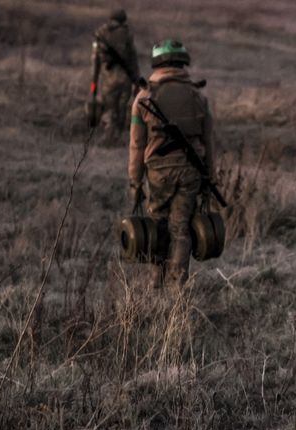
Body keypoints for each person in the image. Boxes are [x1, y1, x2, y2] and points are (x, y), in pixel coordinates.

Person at [128, 39, 214, 285]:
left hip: (158, 172)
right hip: (191, 171)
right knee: (181, 227)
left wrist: (135, 182)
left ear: (157, 63)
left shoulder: (143, 97)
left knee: (157, 225)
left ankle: (156, 283)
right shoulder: (199, 97)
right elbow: (208, 141)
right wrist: (210, 177)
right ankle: (177, 288)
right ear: (182, 63)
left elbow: (136, 145)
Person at [92, 9, 140, 145]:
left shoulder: (100, 34)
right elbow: (133, 60)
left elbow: (95, 61)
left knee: (109, 108)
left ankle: (108, 135)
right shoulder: (127, 35)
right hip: (125, 80)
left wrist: (93, 84)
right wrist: (136, 81)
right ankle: (118, 136)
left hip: (108, 80)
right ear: (124, 20)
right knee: (122, 108)